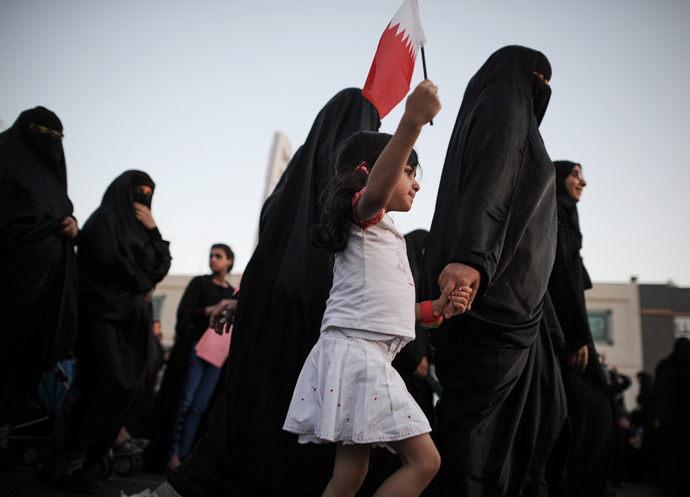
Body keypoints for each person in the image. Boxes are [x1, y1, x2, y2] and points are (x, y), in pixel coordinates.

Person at [154, 88, 380, 497]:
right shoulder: (351, 197)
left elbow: (267, 255)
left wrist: (245, 299)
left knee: (247, 428)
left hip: (266, 326)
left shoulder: (290, 183)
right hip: (319, 331)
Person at [282, 81, 450, 497]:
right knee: (426, 461)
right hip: (357, 356)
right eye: (408, 171)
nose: (414, 182)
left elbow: (391, 310)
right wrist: (411, 121)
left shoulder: (386, 232)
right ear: (368, 171)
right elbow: (377, 188)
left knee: (350, 476)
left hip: (360, 354)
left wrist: (439, 307)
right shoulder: (365, 214)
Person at [421, 45, 567, 497]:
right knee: (480, 437)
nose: (544, 89)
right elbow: (493, 182)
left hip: (516, 309)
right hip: (491, 304)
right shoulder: (506, 103)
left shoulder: (504, 109)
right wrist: (472, 259)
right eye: (539, 76)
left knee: (542, 417)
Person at [48, 170, 171, 489]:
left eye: (148, 193)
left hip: (132, 320)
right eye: (137, 191)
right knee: (105, 381)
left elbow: (161, 265)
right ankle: (67, 457)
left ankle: (89, 455)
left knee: (134, 382)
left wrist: (154, 230)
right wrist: (144, 281)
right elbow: (110, 261)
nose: (142, 199)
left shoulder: (144, 231)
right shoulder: (104, 219)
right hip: (100, 314)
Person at [0, 107, 78, 426]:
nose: (48, 141)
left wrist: (71, 226)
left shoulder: (54, 182)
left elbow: (61, 214)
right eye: (40, 131)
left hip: (40, 293)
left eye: (55, 136)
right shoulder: (6, 161)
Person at [545, 161, 613, 497]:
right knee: (591, 416)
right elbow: (560, 275)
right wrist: (574, 338)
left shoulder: (567, 215)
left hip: (569, 335)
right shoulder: (557, 211)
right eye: (575, 174)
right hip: (564, 339)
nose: (582, 182)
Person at [145, 244, 235, 471]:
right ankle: (172, 453)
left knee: (200, 406)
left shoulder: (234, 293)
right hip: (196, 350)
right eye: (211, 255)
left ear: (229, 262)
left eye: (219, 256)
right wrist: (213, 308)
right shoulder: (200, 283)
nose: (213, 259)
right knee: (185, 403)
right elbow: (185, 312)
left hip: (218, 357)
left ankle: (185, 454)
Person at [654, 337, 690, 496]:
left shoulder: (663, 366)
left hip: (667, 418)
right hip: (686, 419)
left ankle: (668, 486)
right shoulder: (687, 366)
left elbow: (656, 394)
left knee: (668, 453)